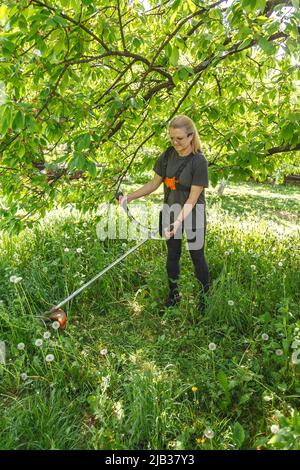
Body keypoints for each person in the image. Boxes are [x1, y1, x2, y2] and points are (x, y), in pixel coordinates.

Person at [117, 115, 210, 313]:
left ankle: (204, 300)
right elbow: (153, 184)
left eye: (180, 139)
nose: (175, 143)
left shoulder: (199, 161)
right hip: (170, 211)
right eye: (172, 138)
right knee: (172, 256)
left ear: (191, 136)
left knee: (197, 256)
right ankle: (173, 296)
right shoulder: (167, 156)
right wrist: (129, 198)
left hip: (193, 214)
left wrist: (177, 222)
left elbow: (193, 199)